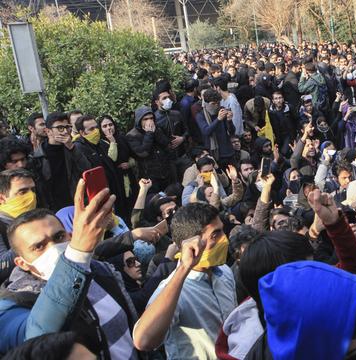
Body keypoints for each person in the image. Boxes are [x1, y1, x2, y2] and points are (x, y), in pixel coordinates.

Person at [0, 181, 140, 359]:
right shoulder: (14, 301)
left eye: (58, 237)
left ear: (70, 236)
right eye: (38, 246)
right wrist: (78, 254)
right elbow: (36, 338)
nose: (53, 248)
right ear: (22, 263)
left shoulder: (100, 271)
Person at [133, 203, 237, 358]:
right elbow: (143, 341)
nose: (225, 239)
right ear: (192, 243)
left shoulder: (225, 272)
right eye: (216, 235)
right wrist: (184, 268)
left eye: (222, 230)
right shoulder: (172, 291)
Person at [32, 112, 91, 211]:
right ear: (48, 131)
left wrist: (71, 148)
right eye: (60, 128)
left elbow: (87, 170)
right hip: (52, 208)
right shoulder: (38, 156)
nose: (65, 132)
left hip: (75, 204)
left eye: (67, 127)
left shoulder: (74, 149)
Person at [126, 106, 174, 192]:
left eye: (151, 118)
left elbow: (166, 144)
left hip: (165, 171)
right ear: (139, 120)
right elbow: (143, 153)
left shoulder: (157, 128)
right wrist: (149, 134)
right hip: (149, 176)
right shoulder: (132, 135)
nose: (149, 121)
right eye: (145, 119)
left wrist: (156, 132)